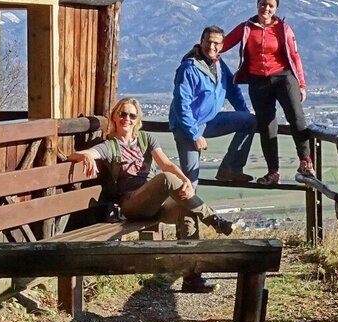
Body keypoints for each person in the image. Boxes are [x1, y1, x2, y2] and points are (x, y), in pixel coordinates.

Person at [67, 97, 232, 293]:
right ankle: (213, 219)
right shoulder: (110, 145)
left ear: (137, 120)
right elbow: (76, 155)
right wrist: (85, 155)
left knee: (186, 210)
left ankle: (192, 277)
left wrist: (186, 181)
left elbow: (166, 164)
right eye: (122, 114)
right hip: (132, 204)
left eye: (132, 115)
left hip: (154, 205)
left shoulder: (146, 139)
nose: (126, 119)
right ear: (114, 117)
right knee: (165, 179)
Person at [222, 0, 311, 185]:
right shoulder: (246, 28)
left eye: (271, 5)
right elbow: (223, 44)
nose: (266, 8)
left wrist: (302, 84)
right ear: (257, 5)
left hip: (283, 77)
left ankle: (306, 160)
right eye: (263, 4)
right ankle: (273, 172)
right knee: (267, 125)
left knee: (296, 116)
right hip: (258, 82)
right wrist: (200, 50)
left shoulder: (283, 28)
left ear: (276, 9)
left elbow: (295, 56)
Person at [168, 25, 257, 189]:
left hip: (210, 120)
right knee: (190, 181)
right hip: (187, 127)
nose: (211, 46)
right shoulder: (189, 68)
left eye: (216, 43)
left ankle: (230, 169)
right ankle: (185, 206)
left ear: (222, 46)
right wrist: (195, 135)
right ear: (201, 41)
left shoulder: (218, 64)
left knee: (249, 121)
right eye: (208, 42)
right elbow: (182, 104)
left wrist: (242, 112)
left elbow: (232, 89)